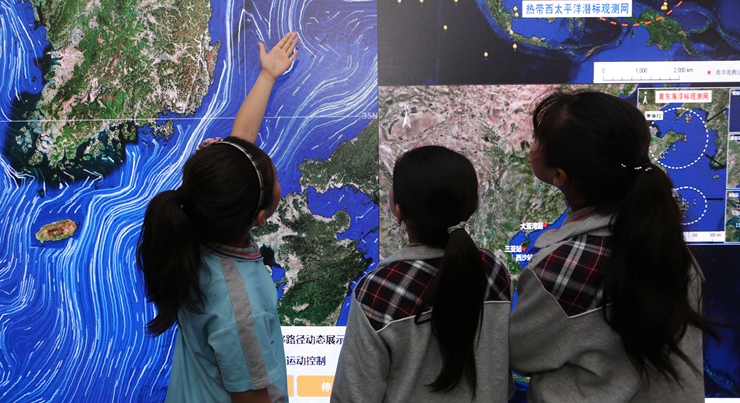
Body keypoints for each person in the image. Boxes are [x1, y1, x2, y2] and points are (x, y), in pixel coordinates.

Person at [510, 90, 717, 402]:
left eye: (538, 138)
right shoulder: (667, 247)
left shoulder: (565, 268)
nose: (533, 143)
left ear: (559, 175)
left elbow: (521, 353)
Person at [136, 32, 298, 403]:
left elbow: (241, 153)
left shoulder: (201, 229)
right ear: (260, 217)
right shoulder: (242, 308)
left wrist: (267, 76)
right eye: (275, 180)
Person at [331, 145, 513, 403]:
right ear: (469, 206)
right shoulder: (493, 270)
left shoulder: (380, 290)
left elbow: (354, 395)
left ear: (399, 211)